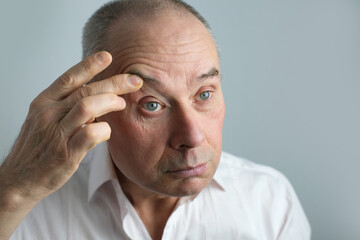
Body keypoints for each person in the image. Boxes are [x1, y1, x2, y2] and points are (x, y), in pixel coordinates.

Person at [0, 0, 311, 239]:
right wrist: (14, 189)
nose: (192, 137)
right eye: (152, 104)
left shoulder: (269, 202)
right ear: (96, 108)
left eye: (204, 94)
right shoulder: (30, 206)